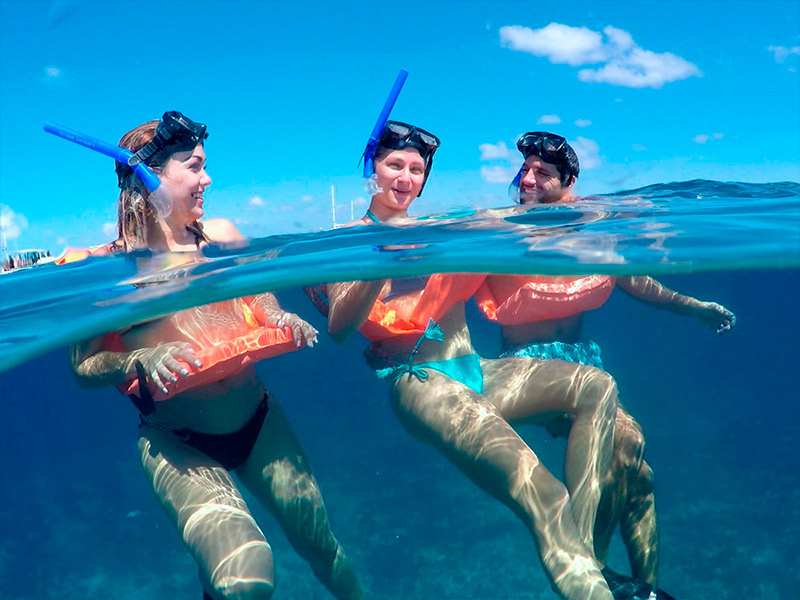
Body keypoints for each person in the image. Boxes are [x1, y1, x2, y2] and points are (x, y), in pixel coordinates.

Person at [312, 120, 623, 600]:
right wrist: (376, 262)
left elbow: (524, 222)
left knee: (596, 385)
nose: (405, 177)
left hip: (476, 370)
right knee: (545, 495)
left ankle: (588, 565)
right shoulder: (344, 241)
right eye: (394, 165)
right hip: (420, 382)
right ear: (371, 170)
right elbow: (338, 327)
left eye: (417, 169)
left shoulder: (444, 230)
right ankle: (592, 585)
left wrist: (581, 212)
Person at [70, 112, 362, 600]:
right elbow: (83, 366)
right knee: (246, 576)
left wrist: (276, 316)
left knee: (323, 548)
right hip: (176, 442)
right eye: (195, 166)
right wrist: (137, 359)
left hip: (259, 420)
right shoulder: (109, 271)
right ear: (150, 178)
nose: (208, 179)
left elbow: (257, 294)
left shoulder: (220, 235)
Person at [478, 131, 735, 588]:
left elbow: (636, 281)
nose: (528, 178)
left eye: (543, 172)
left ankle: (644, 590)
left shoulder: (594, 222)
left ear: (569, 180)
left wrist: (694, 308)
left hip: (580, 361)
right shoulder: (498, 224)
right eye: (525, 170)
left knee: (638, 469)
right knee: (628, 440)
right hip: (526, 365)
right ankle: (588, 570)